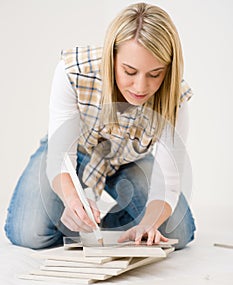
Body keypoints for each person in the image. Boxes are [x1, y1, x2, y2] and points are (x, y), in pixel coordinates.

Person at [4, 2, 196, 250]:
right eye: (129, 71)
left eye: (154, 74)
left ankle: (111, 226)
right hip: (76, 152)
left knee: (175, 231)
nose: (140, 87)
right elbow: (60, 158)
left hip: (130, 160)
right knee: (28, 234)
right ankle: (77, 220)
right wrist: (72, 200)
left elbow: (168, 180)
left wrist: (149, 223)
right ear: (112, 57)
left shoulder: (175, 98)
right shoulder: (74, 71)